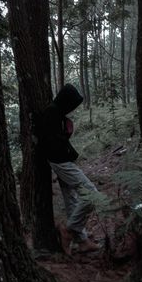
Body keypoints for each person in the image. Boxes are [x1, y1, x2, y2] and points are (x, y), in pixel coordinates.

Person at [39, 83, 100, 255]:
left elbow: (58, 140)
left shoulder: (56, 113)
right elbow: (51, 143)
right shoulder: (52, 113)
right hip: (61, 162)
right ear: (65, 100)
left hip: (62, 161)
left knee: (72, 200)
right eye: (71, 104)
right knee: (92, 194)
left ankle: (82, 241)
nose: (72, 108)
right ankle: (69, 230)